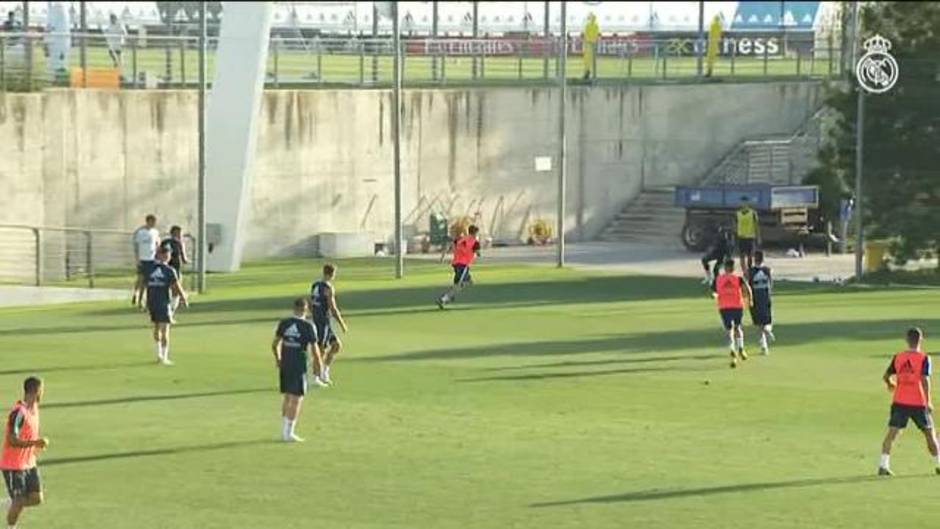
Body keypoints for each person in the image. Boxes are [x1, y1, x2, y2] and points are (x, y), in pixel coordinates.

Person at [877, 328, 940, 476]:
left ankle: (883, 464)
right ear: (920, 340)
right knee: (929, 433)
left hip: (899, 400)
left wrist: (890, 384)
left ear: (907, 340)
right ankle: (938, 463)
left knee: (892, 433)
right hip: (918, 402)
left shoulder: (898, 357)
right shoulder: (924, 358)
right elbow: (924, 379)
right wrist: (928, 400)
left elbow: (886, 375)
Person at [1, 377, 49, 529]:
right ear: (36, 391)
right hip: (13, 465)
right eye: (42, 390)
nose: (43, 393)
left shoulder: (34, 410)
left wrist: (34, 448)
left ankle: (13, 501)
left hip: (29, 463)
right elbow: (12, 439)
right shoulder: (19, 412)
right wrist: (35, 443)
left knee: (37, 498)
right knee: (19, 501)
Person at [272, 298, 322, 442]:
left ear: (294, 308)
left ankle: (284, 430)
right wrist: (318, 367)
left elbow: (274, 345)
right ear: (306, 310)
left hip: (285, 365)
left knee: (287, 397)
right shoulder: (308, 326)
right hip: (298, 366)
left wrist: (278, 359)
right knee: (297, 399)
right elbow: (315, 349)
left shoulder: (284, 323)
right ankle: (289, 433)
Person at [147, 246, 188, 365]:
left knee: (157, 327)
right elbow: (176, 286)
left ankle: (159, 353)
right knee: (165, 329)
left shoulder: (149, 268)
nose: (168, 256)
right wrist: (183, 297)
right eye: (166, 254)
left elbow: (144, 282)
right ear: (161, 255)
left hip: (152, 302)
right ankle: (163, 356)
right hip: (163, 302)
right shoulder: (169, 270)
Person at [310, 264, 349, 386]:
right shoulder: (328, 288)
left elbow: (312, 303)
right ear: (332, 274)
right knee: (321, 349)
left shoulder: (315, 285)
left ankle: (324, 371)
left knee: (336, 345)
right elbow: (333, 308)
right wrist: (342, 323)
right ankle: (314, 377)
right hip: (323, 322)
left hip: (319, 321)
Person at [713, 259, 753, 369]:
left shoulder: (719, 279)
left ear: (725, 267)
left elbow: (714, 291)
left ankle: (732, 350)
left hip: (724, 307)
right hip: (737, 306)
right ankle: (741, 348)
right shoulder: (738, 278)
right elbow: (747, 289)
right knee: (738, 327)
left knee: (729, 329)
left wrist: (715, 296)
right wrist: (750, 300)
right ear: (733, 268)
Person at [437, 225, 481, 309]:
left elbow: (450, 244)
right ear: (475, 233)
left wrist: (442, 257)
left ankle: (450, 295)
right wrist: (476, 253)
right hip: (463, 265)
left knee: (467, 282)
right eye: (477, 233)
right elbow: (478, 253)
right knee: (459, 285)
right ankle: (444, 298)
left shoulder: (462, 239)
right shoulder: (475, 242)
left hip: (456, 264)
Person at [748, 250, 775, 355]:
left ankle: (764, 346)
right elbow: (771, 283)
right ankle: (768, 330)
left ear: (755, 259)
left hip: (755, 298)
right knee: (768, 319)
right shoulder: (767, 270)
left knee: (759, 324)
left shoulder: (751, 271)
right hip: (765, 297)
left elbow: (748, 285)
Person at [132, 214, 160, 308]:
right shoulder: (140, 232)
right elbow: (136, 246)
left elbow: (157, 244)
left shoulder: (155, 232)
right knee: (140, 279)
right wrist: (137, 259)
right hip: (142, 259)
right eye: (152, 222)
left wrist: (157, 256)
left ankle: (143, 300)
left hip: (151, 259)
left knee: (148, 282)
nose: (154, 224)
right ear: (148, 221)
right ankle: (136, 294)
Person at [160, 226, 189, 309]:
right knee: (176, 288)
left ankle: (166, 304)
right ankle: (173, 306)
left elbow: (159, 254)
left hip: (164, 268)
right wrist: (187, 261)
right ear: (175, 233)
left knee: (166, 288)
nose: (181, 235)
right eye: (180, 233)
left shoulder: (164, 242)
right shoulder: (179, 243)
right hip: (175, 268)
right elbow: (184, 258)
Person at [735, 197, 761, 277]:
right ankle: (744, 272)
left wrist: (758, 236)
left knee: (750, 256)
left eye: (745, 203)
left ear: (748, 203)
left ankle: (749, 271)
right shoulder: (737, 213)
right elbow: (735, 225)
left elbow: (756, 225)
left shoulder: (753, 213)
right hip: (741, 237)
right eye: (742, 203)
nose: (744, 204)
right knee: (742, 256)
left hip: (750, 237)